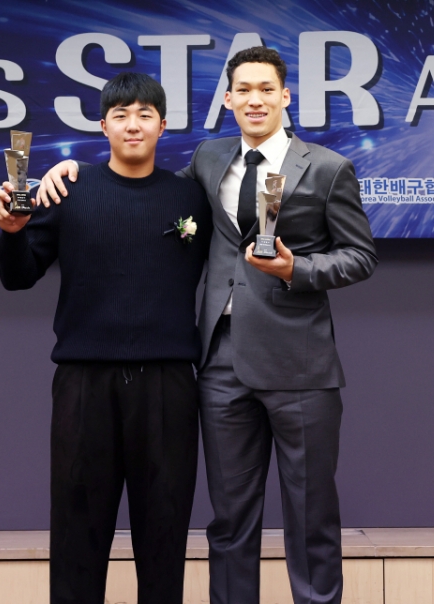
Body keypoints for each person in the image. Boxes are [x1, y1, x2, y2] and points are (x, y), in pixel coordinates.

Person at [36, 47, 377, 604]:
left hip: (299, 364)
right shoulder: (209, 159)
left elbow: (360, 256)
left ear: (285, 96)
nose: (255, 100)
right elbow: (142, 188)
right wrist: (68, 170)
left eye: (265, 89)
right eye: (243, 90)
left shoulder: (327, 168)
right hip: (219, 364)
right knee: (229, 523)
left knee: (310, 518)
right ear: (228, 99)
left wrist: (296, 269)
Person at [0, 72, 212, 604]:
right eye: (121, 115)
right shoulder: (68, 190)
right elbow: (18, 276)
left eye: (144, 115)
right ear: (103, 126)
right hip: (83, 385)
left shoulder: (192, 197)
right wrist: (11, 234)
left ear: (163, 125)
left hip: (168, 386)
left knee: (164, 537)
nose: (133, 125)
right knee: (76, 536)